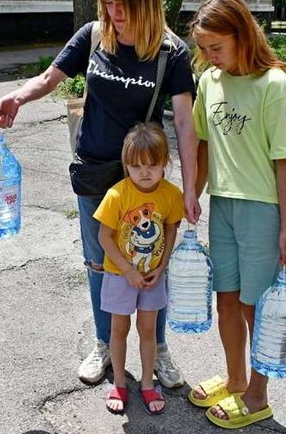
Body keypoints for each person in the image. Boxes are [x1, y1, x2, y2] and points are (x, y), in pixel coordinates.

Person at [0, 0, 200, 388]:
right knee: (99, 262)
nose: (114, 13)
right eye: (108, 2)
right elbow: (50, 78)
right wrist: (18, 96)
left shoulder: (171, 54)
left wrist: (190, 188)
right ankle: (105, 342)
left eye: (123, 4)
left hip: (143, 177)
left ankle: (156, 347)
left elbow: (184, 122)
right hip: (94, 174)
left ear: (147, 0)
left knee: (150, 260)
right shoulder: (93, 36)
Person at [187, 0, 286, 429]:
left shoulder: (274, 85)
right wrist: (191, 194)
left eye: (216, 47)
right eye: (203, 48)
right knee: (227, 302)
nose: (209, 56)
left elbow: (285, 160)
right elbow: (200, 144)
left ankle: (257, 396)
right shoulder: (209, 83)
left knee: (257, 308)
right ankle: (236, 380)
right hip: (223, 204)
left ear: (242, 36)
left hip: (264, 210)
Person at [94, 122, 182, 415]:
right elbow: (104, 237)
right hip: (120, 274)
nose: (144, 172)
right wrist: (127, 270)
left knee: (148, 330)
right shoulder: (117, 195)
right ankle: (119, 382)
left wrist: (163, 266)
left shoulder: (171, 195)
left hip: (153, 277)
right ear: (126, 165)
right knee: (119, 329)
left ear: (164, 162)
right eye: (135, 166)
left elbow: (170, 230)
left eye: (152, 165)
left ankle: (147, 383)